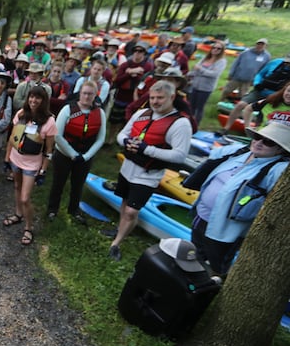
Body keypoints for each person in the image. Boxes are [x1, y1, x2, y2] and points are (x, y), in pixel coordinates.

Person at [190, 122, 289, 274]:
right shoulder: (240, 152)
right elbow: (216, 152)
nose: (259, 143)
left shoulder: (277, 169)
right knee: (194, 255)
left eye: (268, 141)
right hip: (201, 216)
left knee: (217, 268)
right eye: (257, 137)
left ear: (280, 149)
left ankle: (211, 290)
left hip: (226, 231)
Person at [109, 80, 192, 261]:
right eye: (153, 97)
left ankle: (116, 243)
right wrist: (126, 142)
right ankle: (119, 229)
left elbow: (179, 156)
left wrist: (147, 150)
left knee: (132, 211)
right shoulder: (141, 113)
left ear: (171, 97)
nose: (155, 102)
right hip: (127, 169)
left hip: (148, 176)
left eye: (160, 98)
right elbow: (122, 134)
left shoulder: (181, 124)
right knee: (124, 202)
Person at [2, 86, 56, 246]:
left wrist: (43, 170)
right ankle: (18, 214)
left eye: (37, 98)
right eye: (31, 97)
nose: (34, 100)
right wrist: (6, 159)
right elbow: (12, 138)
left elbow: (49, 150)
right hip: (15, 159)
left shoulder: (49, 121)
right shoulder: (20, 114)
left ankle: (29, 227)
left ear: (43, 100)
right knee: (17, 187)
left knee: (25, 198)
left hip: (32, 164)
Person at [47, 80, 106, 224]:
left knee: (78, 185)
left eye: (90, 94)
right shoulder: (68, 109)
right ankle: (52, 209)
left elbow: (100, 139)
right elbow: (57, 135)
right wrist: (72, 154)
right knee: (58, 183)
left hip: (84, 156)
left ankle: (74, 209)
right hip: (64, 154)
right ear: (80, 93)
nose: (87, 97)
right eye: (84, 93)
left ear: (95, 95)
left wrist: (85, 157)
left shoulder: (100, 113)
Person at [220, 54, 290, 136]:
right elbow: (260, 74)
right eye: (287, 62)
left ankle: (257, 133)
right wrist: (257, 84)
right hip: (261, 90)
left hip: (276, 96)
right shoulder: (275, 62)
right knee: (241, 105)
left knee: (263, 117)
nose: (287, 64)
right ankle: (226, 128)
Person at [187, 40, 228, 123]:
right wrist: (189, 74)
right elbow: (195, 68)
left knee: (199, 107)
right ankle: (188, 122)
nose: (215, 50)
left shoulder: (221, 61)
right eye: (214, 47)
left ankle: (196, 124)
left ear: (222, 51)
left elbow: (214, 74)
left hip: (206, 88)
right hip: (195, 85)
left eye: (218, 49)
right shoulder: (205, 58)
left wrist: (201, 69)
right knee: (191, 106)